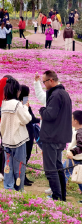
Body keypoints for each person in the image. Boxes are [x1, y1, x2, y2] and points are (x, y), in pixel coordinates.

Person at [39, 70, 72, 201]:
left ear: (51, 80)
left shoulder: (56, 95)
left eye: (44, 82)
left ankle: (56, 196)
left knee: (50, 169)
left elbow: (49, 115)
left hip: (51, 136)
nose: (44, 84)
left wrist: (42, 109)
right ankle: (61, 196)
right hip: (60, 136)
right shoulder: (64, 93)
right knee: (58, 167)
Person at [0, 78, 31, 192]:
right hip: (18, 140)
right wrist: (26, 108)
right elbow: (26, 119)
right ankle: (18, 189)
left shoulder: (4, 104)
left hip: (7, 139)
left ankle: (8, 187)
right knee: (19, 167)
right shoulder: (18, 104)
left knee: (8, 166)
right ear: (17, 91)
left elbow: (2, 124)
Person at [18, 85, 40, 186]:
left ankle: (23, 176)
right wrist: (42, 120)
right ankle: (21, 177)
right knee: (25, 156)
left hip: (24, 131)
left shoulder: (18, 101)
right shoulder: (24, 102)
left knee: (24, 156)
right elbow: (31, 118)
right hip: (27, 132)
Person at [64, 110, 82, 203]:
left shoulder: (80, 132)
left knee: (63, 174)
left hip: (74, 159)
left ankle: (58, 194)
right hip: (77, 159)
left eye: (71, 118)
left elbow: (81, 145)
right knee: (80, 178)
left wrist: (72, 152)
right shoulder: (76, 130)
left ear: (76, 121)